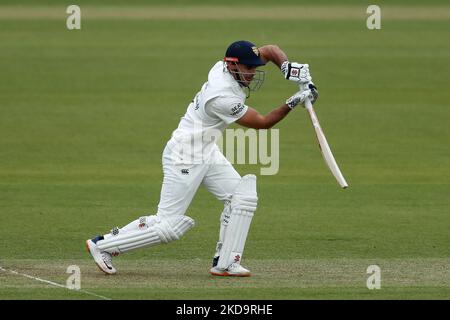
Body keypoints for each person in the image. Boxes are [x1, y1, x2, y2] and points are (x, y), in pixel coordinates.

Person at [86, 40, 318, 277]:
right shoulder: (220, 98)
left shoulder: (225, 66)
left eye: (254, 68)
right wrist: (294, 101)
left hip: (206, 150)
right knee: (168, 226)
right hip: (184, 156)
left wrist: (289, 68)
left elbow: (269, 50)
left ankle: (226, 262)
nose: (253, 73)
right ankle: (102, 245)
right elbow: (262, 122)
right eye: (249, 69)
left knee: (242, 196)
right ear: (233, 66)